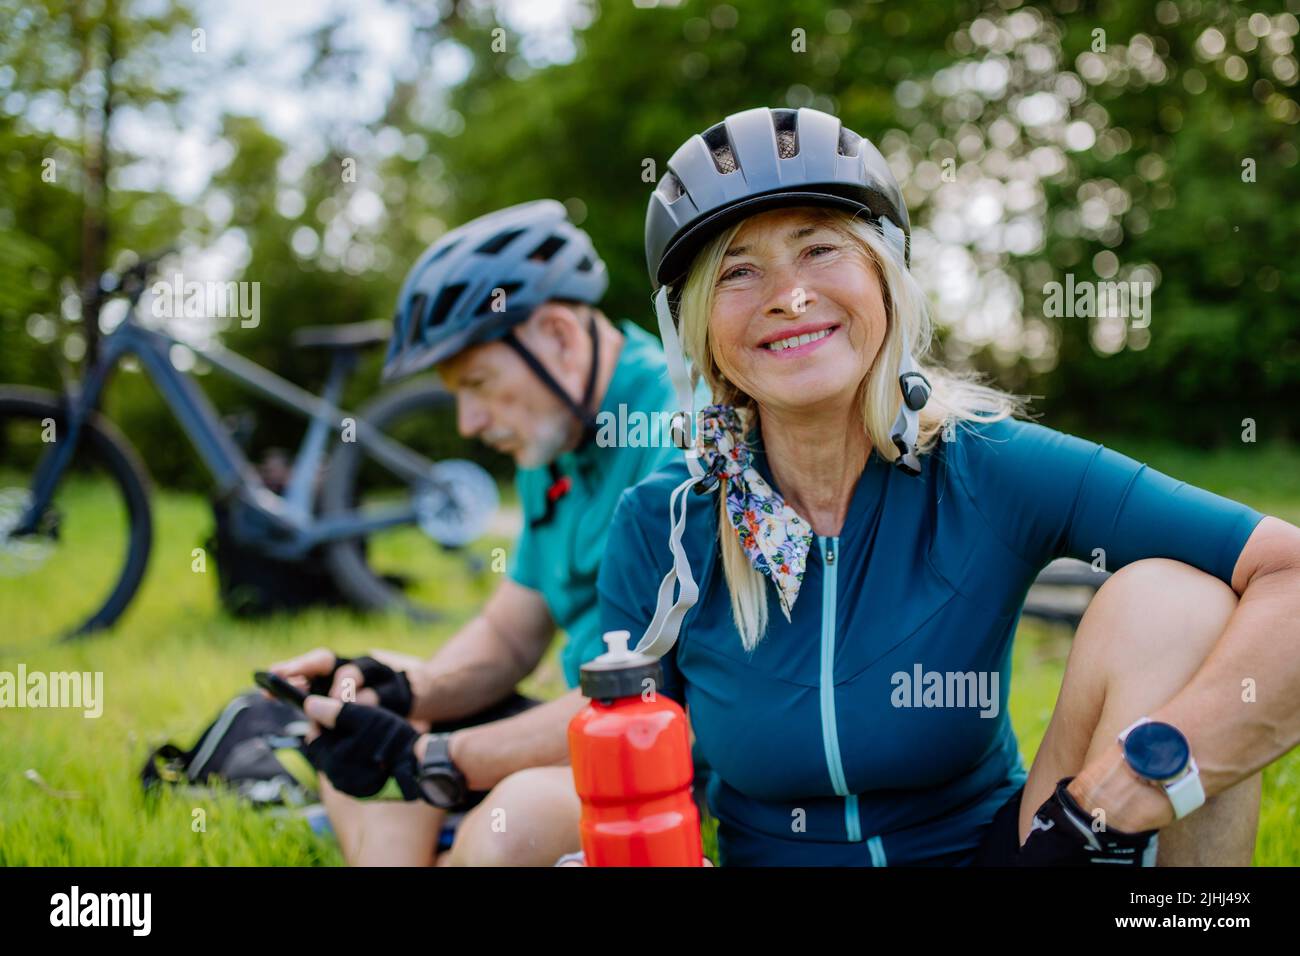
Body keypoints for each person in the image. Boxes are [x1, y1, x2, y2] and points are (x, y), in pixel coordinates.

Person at [598, 106, 1300, 866]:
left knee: (1176, 601)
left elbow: (1289, 574)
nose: (789, 295)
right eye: (738, 270)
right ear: (695, 328)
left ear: (885, 278)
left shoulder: (989, 466)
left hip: (1014, 859)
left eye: (820, 249)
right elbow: (639, 767)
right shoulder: (659, 524)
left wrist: (1107, 808)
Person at [272, 199, 686, 865]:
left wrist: (434, 757)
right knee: (365, 699)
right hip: (586, 733)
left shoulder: (678, 428)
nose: (467, 422)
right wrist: (394, 693)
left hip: (670, 761)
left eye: (479, 384)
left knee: (513, 819)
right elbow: (507, 635)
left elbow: (660, 695)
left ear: (556, 334)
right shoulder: (554, 435)